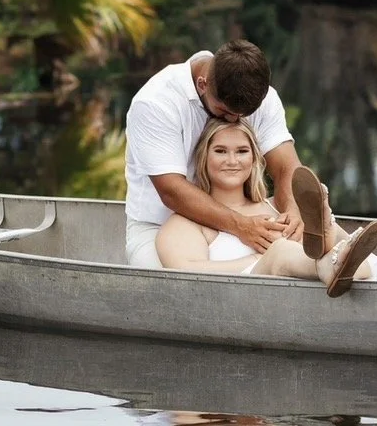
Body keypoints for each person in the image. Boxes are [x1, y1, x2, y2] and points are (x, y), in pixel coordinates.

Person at [154, 118, 377, 297]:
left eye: (242, 151)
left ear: (254, 159)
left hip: (308, 290)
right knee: (281, 251)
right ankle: (328, 261)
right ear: (204, 158)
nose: (232, 161)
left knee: (362, 263)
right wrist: (258, 259)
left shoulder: (279, 208)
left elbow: (366, 260)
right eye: (221, 151)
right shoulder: (186, 222)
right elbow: (184, 273)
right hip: (242, 296)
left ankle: (328, 246)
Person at [124, 40, 301, 270]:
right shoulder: (156, 103)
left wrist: (294, 209)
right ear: (202, 84)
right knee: (174, 289)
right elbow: (171, 190)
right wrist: (240, 227)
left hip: (245, 219)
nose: (234, 120)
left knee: (293, 263)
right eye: (225, 111)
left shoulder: (261, 98)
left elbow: (287, 167)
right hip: (158, 224)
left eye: (243, 114)